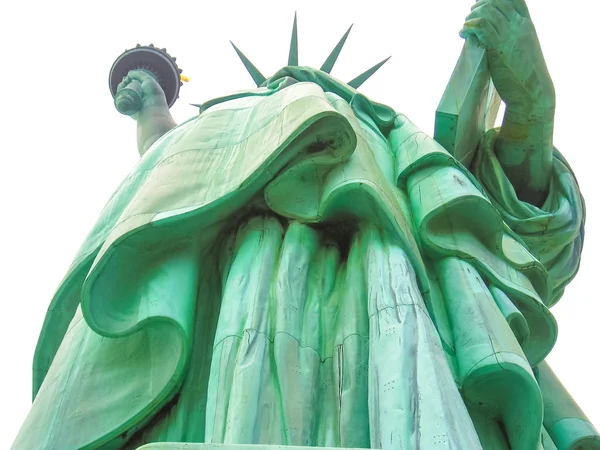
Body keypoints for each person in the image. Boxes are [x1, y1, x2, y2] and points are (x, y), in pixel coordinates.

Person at [13, 1, 595, 449]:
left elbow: (504, 220)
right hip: (235, 299)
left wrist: (531, 103)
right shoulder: (222, 134)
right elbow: (168, 189)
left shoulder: (386, 135)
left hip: (387, 279)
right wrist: (150, 107)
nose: (292, 105)